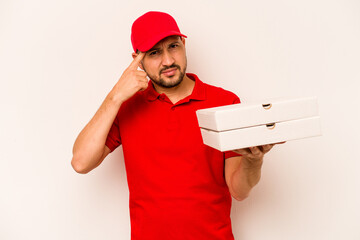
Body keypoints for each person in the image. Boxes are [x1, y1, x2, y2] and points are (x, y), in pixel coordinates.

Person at [71, 11, 282, 240]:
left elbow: (239, 191)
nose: (168, 61)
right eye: (154, 53)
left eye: (173, 46)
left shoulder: (225, 102)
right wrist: (114, 96)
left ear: (183, 43)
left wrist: (253, 160)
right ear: (137, 59)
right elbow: (81, 162)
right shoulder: (126, 107)